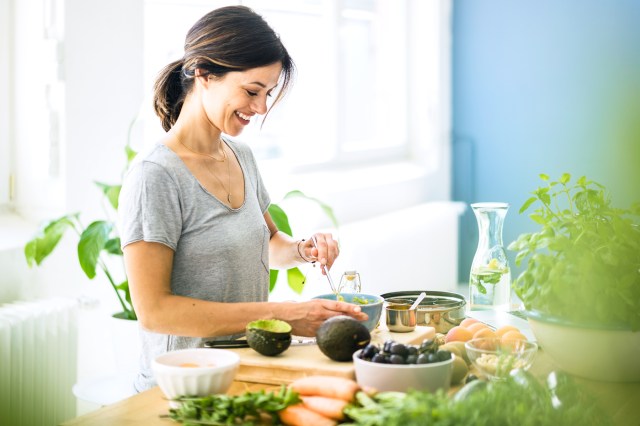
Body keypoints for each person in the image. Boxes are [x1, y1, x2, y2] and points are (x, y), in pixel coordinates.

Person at [118, 5, 367, 392]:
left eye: (268, 94)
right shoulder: (156, 176)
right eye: (252, 91)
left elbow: (269, 244)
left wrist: (304, 249)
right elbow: (155, 311)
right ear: (203, 73)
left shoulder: (241, 156)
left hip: (245, 371)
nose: (262, 108)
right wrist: (285, 314)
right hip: (183, 388)